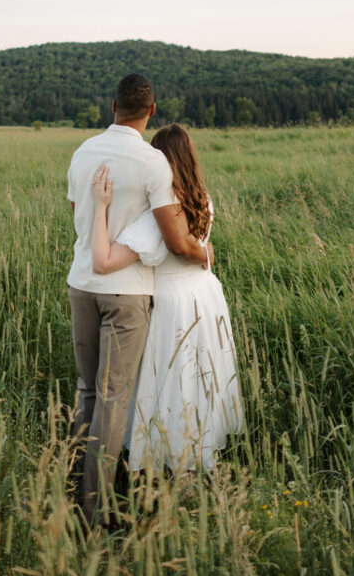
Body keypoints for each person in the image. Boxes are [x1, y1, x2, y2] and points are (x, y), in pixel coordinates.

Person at [67, 75, 210, 527]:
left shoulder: (82, 152)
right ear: (151, 111)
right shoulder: (154, 164)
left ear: (112, 106)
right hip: (126, 291)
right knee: (113, 398)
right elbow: (172, 236)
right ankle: (96, 512)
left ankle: (70, 488)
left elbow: (79, 215)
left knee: (86, 390)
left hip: (82, 284)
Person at [90, 123, 243, 473]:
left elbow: (113, 257)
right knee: (197, 374)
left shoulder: (156, 213)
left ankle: (170, 454)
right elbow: (198, 247)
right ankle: (194, 443)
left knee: (167, 377)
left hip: (171, 299)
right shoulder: (202, 198)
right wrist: (206, 253)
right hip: (204, 293)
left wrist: (101, 210)